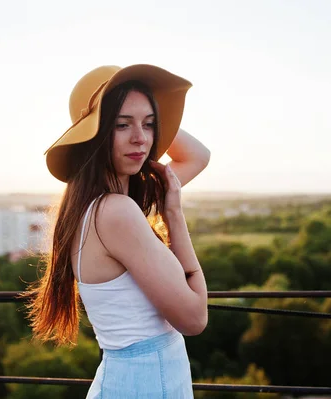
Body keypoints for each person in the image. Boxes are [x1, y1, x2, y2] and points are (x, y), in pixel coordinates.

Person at [25, 64, 210, 398]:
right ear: (95, 134)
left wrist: (140, 98)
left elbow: (198, 156)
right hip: (147, 386)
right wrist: (174, 214)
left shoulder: (94, 207)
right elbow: (194, 318)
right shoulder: (117, 213)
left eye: (149, 125)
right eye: (122, 125)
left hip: (129, 381)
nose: (140, 138)